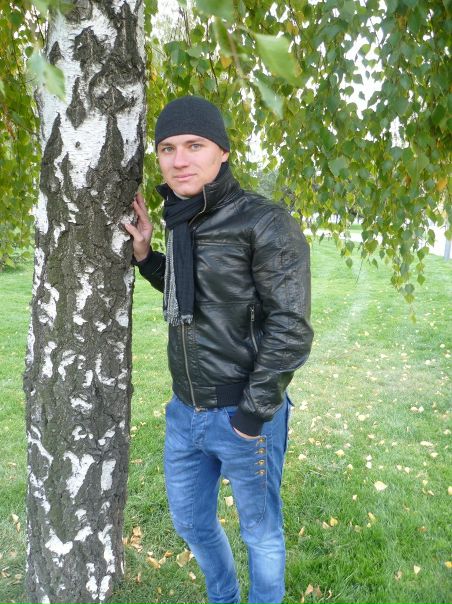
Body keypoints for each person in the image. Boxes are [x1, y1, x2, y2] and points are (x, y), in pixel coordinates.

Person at [124, 96, 313, 604]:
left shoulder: (264, 222)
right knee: (189, 522)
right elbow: (191, 293)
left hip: (244, 414)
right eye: (167, 148)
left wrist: (251, 415)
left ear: (223, 151)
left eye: (194, 145)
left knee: (260, 534)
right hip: (184, 411)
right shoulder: (181, 218)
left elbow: (291, 327)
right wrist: (146, 257)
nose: (179, 159)